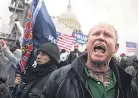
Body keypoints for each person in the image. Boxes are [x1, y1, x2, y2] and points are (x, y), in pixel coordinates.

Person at [43, 23, 137, 98]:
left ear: (116, 48)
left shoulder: (128, 85)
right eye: (96, 34)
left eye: (107, 35)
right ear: (87, 44)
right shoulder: (60, 77)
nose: (100, 37)